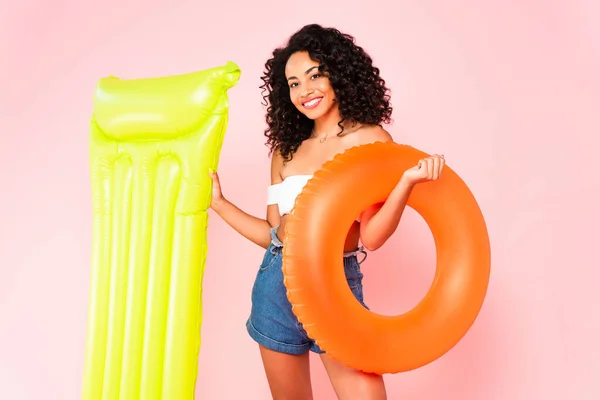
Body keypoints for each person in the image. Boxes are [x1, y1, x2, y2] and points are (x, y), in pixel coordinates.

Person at [209, 24, 445, 400]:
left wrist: (405, 184)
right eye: (294, 83)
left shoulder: (369, 140)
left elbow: (372, 236)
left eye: (315, 75)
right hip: (276, 286)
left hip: (336, 283)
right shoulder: (285, 151)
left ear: (339, 74)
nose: (305, 91)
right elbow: (274, 235)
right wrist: (219, 204)